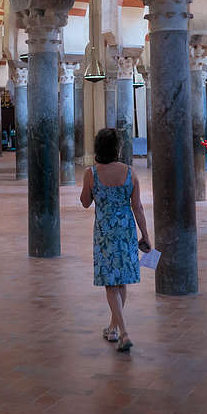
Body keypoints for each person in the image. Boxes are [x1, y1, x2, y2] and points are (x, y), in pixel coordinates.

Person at [79, 127, 151, 353]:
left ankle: (124, 332)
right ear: (117, 148)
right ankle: (113, 327)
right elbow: (137, 207)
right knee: (121, 282)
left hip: (104, 234)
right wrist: (146, 236)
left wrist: (92, 189)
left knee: (111, 284)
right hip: (126, 230)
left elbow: (84, 202)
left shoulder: (91, 173)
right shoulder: (130, 172)